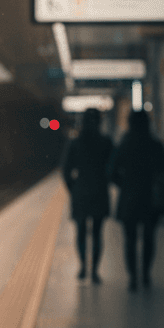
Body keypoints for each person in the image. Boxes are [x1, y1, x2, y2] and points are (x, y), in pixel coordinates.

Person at [109, 108, 164, 290]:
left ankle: (132, 278)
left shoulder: (124, 145)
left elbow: (111, 172)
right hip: (151, 198)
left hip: (129, 198)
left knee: (130, 239)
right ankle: (145, 275)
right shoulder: (155, 144)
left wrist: (124, 184)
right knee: (149, 237)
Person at [61, 107, 113, 283]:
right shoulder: (106, 142)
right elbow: (113, 167)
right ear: (99, 122)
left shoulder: (75, 143)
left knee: (81, 232)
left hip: (80, 191)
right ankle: (95, 271)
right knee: (97, 233)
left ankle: (83, 267)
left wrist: (73, 189)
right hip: (100, 191)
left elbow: (66, 171)